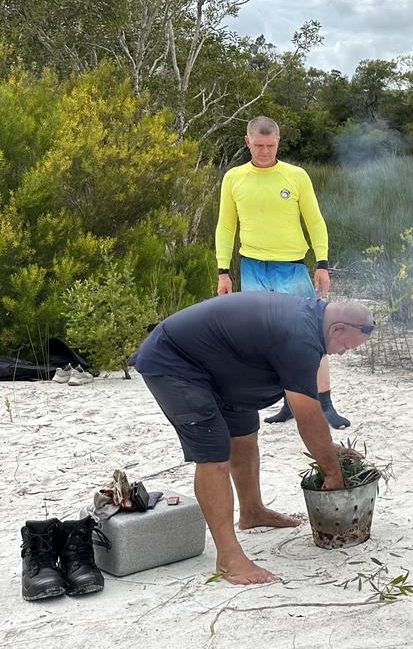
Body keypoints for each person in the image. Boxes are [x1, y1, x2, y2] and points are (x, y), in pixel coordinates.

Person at [132, 292, 376, 584]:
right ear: (337, 328)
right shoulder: (299, 335)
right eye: (346, 345)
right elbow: (306, 412)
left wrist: (327, 449)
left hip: (223, 368)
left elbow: (307, 409)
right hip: (176, 365)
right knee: (214, 455)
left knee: (245, 433)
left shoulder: (308, 323)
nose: (342, 352)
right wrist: (332, 470)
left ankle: (252, 511)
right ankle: (228, 558)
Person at [216, 115, 348, 429]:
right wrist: (223, 271)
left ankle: (324, 404)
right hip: (252, 267)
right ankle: (290, 402)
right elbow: (225, 226)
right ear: (247, 141)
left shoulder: (296, 175)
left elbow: (315, 221)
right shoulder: (234, 178)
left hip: (291, 267)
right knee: (270, 340)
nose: (264, 151)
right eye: (259, 145)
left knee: (310, 336)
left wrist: (322, 264)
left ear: (278, 142)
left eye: (270, 145)